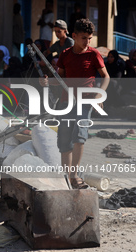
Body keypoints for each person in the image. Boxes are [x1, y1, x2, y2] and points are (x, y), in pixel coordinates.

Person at [40, 18, 109, 189]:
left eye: (89, 38)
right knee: (64, 140)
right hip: (66, 102)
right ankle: (66, 178)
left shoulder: (93, 54)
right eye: (84, 38)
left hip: (85, 102)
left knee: (79, 136)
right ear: (74, 36)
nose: (87, 41)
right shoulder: (65, 55)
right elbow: (60, 79)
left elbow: (106, 76)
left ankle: (74, 175)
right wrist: (48, 83)